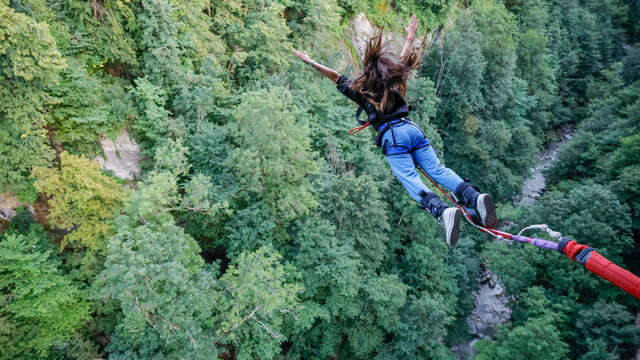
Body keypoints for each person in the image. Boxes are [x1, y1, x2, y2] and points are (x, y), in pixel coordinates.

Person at [292, 15, 497, 246]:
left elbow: (335, 76)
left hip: (393, 137)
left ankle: (442, 211)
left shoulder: (361, 91)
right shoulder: (393, 79)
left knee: (410, 178)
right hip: (413, 130)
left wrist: (310, 62)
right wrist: (409, 37)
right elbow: (400, 60)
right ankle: (474, 197)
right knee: (438, 170)